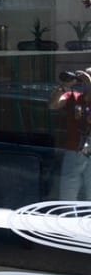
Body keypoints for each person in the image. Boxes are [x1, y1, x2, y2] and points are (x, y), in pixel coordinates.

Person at [49, 70, 91, 201]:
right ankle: (68, 218)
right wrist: (63, 86)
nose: (83, 82)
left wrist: (89, 81)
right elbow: (53, 105)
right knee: (68, 189)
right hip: (74, 149)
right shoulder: (74, 96)